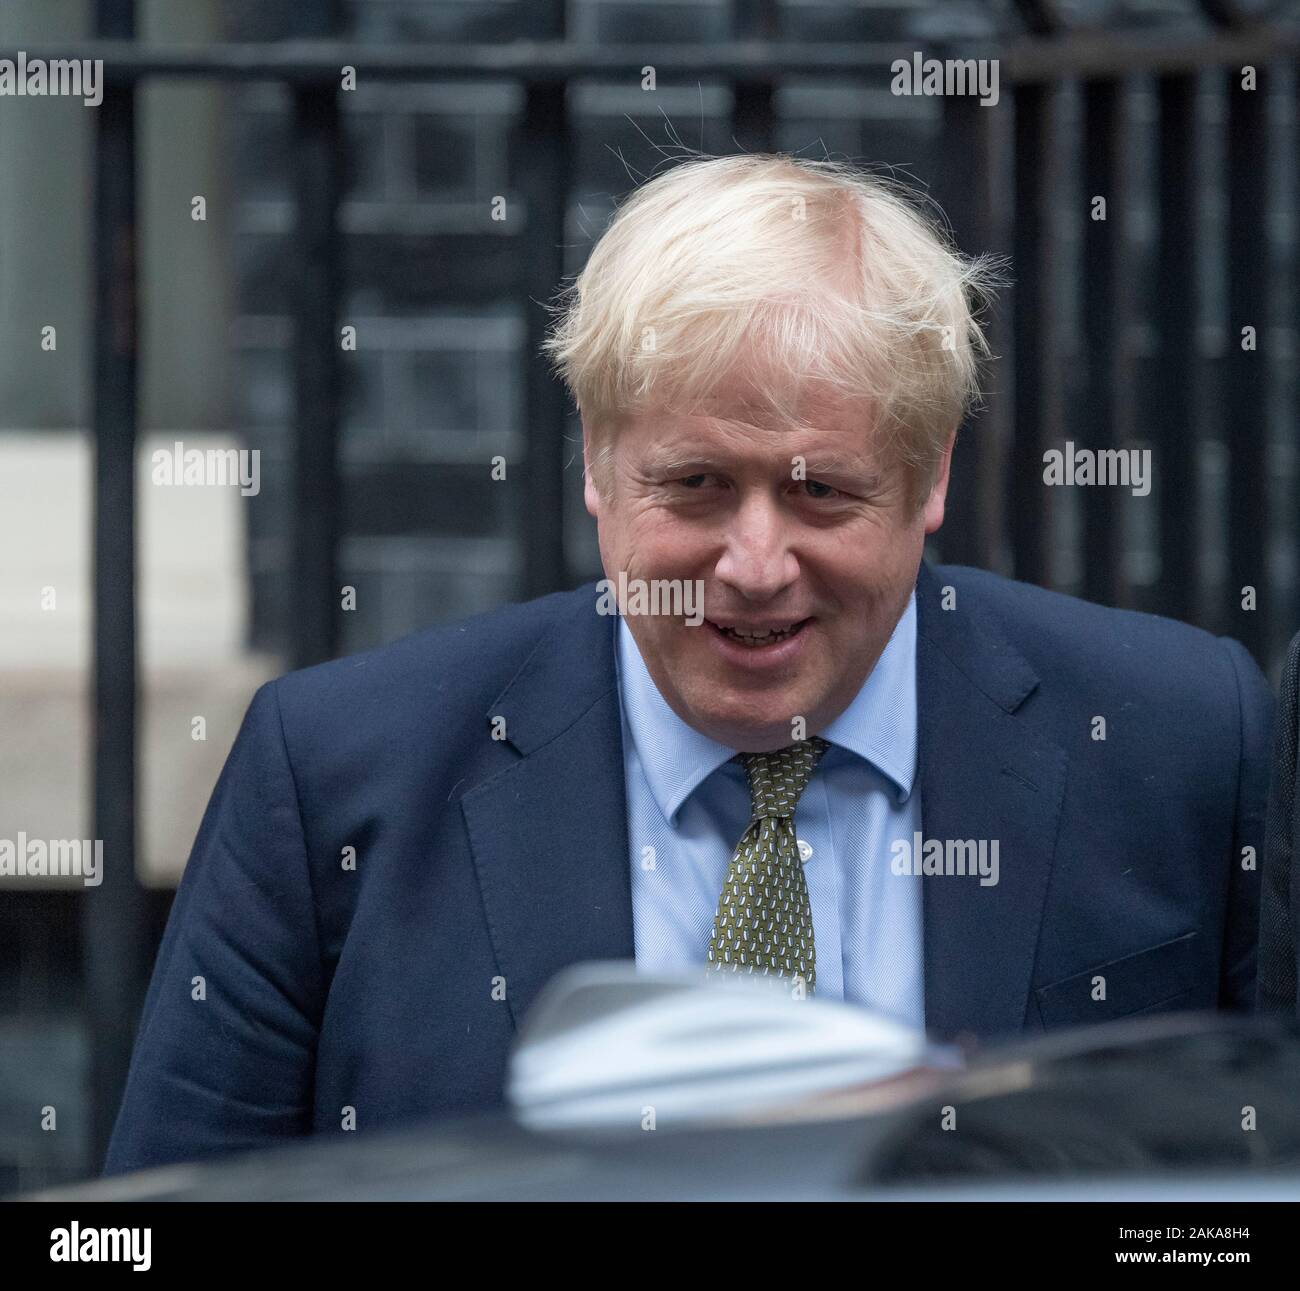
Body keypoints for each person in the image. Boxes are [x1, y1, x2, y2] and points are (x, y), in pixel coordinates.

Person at [103, 153, 1273, 1175]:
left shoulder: (1179, 738)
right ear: (598, 468)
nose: (755, 564)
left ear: (930, 480)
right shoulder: (338, 775)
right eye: (696, 484)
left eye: (820, 490)